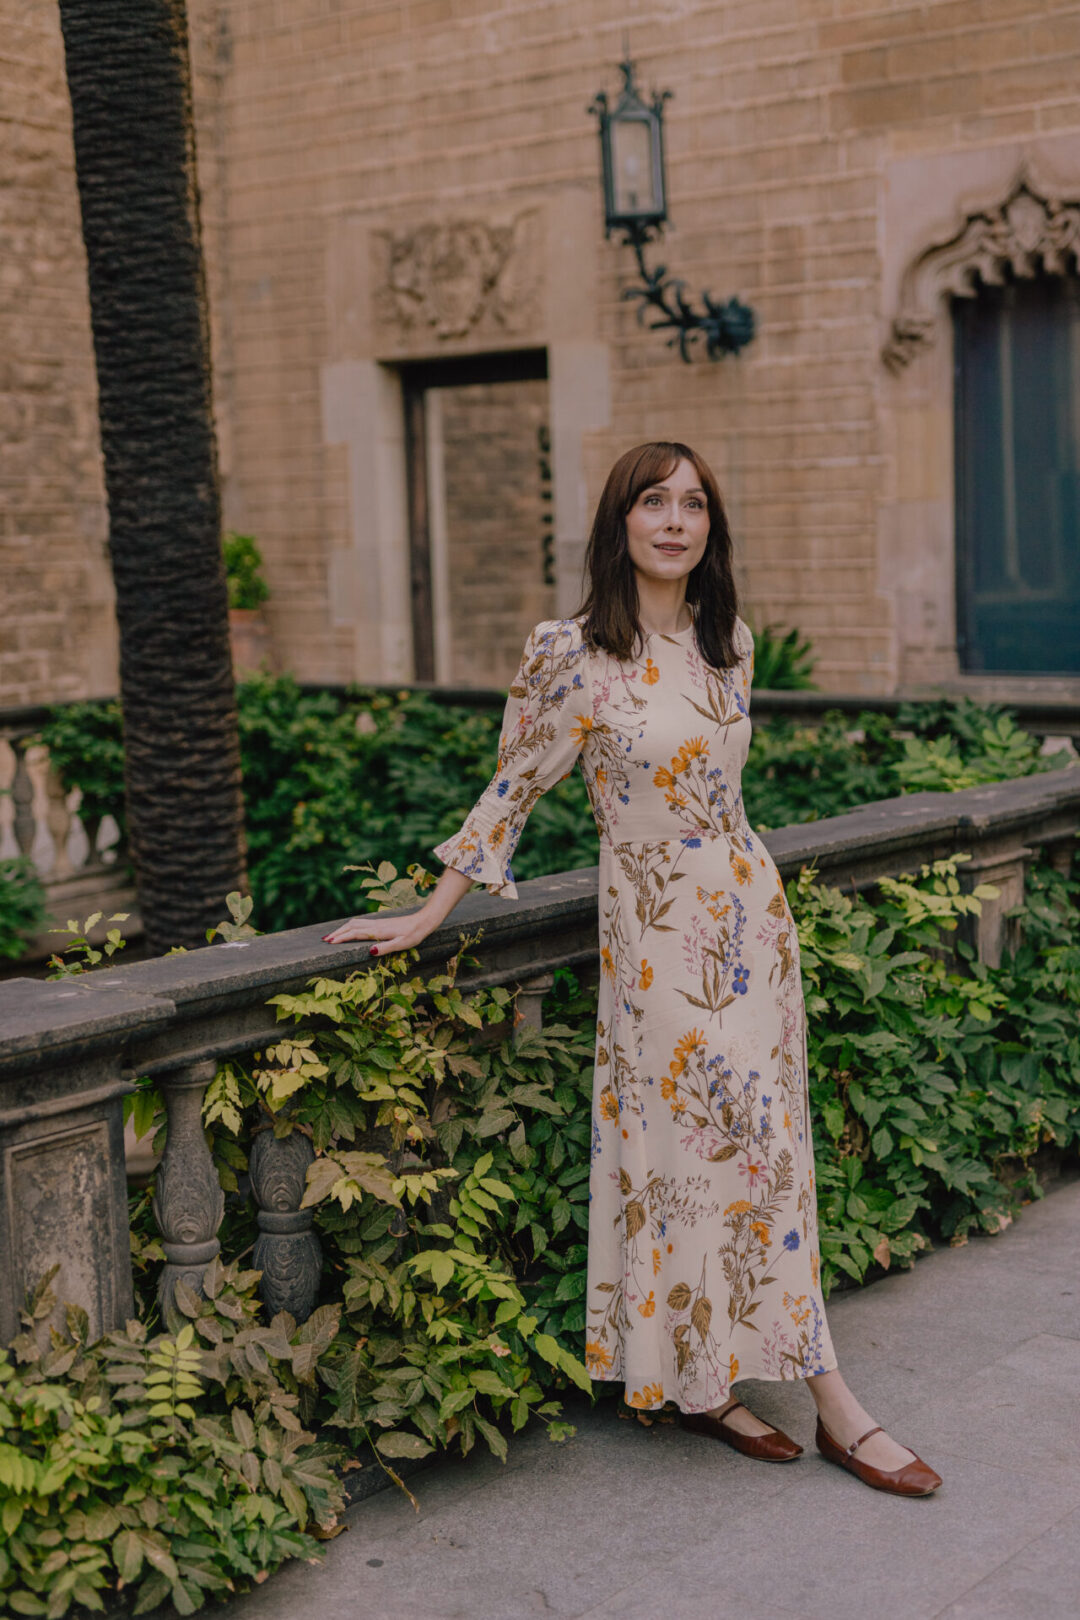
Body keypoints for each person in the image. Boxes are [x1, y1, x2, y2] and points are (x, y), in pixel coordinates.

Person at [324, 441, 941, 1497]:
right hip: (658, 947)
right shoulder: (572, 654)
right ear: (619, 523)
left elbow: (725, 800)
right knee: (719, 1158)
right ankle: (836, 1404)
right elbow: (511, 789)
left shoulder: (728, 643)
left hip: (752, 926)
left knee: (766, 1155)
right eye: (653, 501)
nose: (674, 520)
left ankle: (711, 1386)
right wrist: (426, 914)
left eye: (694, 503)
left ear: (711, 527)